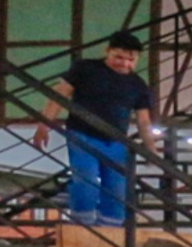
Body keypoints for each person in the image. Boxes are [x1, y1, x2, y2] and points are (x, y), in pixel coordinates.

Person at [33, 31, 158, 228]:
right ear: (107, 51)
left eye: (130, 60)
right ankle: (82, 225)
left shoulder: (138, 85)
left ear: (137, 59)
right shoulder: (85, 68)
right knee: (86, 181)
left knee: (117, 189)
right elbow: (59, 95)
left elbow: (144, 121)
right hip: (82, 135)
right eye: (118, 57)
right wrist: (44, 125)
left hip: (117, 142)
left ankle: (109, 232)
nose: (124, 64)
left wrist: (151, 148)